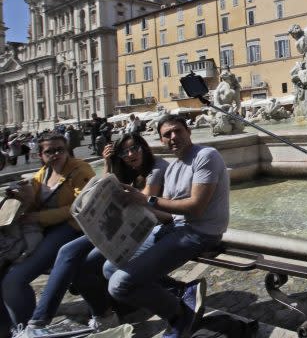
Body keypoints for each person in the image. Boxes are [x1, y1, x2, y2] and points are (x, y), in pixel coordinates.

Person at [16, 133, 172, 337]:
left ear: (145, 147)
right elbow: (107, 185)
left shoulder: (156, 169)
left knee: (70, 253)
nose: (130, 154)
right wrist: (108, 163)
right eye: (124, 151)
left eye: (135, 148)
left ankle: (38, 322)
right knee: (74, 259)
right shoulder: (130, 169)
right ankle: (103, 315)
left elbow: (145, 201)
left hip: (146, 229)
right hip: (121, 228)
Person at [104, 115, 229, 338]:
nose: (173, 137)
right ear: (161, 140)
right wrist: (129, 211)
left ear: (188, 131)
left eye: (177, 131)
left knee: (118, 285)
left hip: (201, 232)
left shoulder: (205, 156)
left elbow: (196, 208)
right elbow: (168, 213)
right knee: (109, 267)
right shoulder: (172, 168)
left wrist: (147, 201)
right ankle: (182, 291)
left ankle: (180, 314)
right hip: (176, 229)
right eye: (167, 135)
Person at [0, 134, 95, 336]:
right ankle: (10, 326)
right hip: (45, 229)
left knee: (14, 280)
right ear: (41, 155)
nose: (55, 154)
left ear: (67, 149)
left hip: (71, 229)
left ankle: (26, 328)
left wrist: (39, 217)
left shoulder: (80, 169)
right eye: (49, 151)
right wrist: (22, 196)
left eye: (60, 149)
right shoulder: (42, 174)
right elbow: (33, 203)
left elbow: (81, 208)